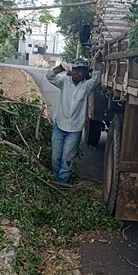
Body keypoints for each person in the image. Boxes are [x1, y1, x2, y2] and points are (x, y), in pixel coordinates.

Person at [46, 55, 101, 184]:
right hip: (59, 126)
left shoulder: (86, 86)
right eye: (76, 69)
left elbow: (96, 78)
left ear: (85, 73)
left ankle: (62, 183)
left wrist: (97, 61)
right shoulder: (64, 82)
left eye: (81, 70)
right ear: (72, 70)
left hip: (74, 130)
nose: (77, 72)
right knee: (56, 157)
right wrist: (60, 68)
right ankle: (54, 179)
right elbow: (49, 76)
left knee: (68, 158)